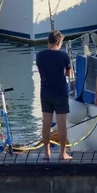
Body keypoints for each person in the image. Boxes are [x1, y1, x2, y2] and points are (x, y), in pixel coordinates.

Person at [36, 30, 72, 161]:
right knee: (62, 124)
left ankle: (47, 153)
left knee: (46, 123)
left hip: (45, 91)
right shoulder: (64, 56)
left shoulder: (39, 55)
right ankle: (63, 153)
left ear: (48, 41)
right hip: (60, 92)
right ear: (59, 42)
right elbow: (68, 73)